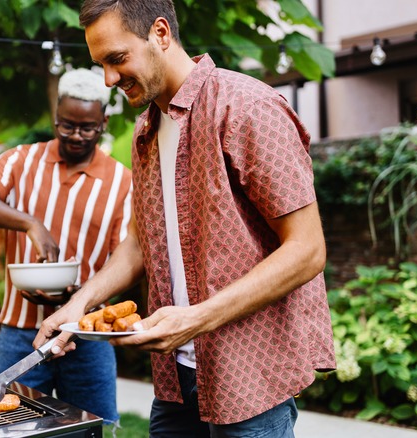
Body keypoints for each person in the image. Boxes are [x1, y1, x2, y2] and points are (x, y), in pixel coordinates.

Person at [35, 1, 336, 437]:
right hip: (176, 376)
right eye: (100, 64)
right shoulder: (146, 131)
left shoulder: (246, 105)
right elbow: (140, 243)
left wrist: (195, 319)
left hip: (249, 375)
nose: (108, 79)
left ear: (160, 33)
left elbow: (308, 250)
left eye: (117, 59)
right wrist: (78, 305)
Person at [0, 68, 133, 425]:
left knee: (92, 428)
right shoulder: (21, 160)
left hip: (87, 335)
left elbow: (125, 261)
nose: (76, 136)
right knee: (9, 426)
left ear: (104, 122)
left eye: (88, 127)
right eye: (66, 125)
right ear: (55, 118)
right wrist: (30, 222)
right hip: (20, 333)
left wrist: (79, 295)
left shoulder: (122, 182)